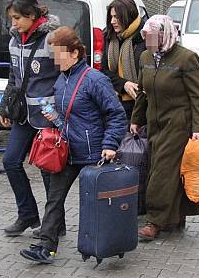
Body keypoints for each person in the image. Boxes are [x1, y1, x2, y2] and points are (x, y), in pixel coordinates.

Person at [20, 26, 127, 264]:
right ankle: (46, 248)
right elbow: (70, 117)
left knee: (97, 204)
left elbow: (116, 114)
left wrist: (110, 144)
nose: (55, 59)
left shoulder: (95, 79)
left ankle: (107, 244)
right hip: (67, 150)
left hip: (95, 152)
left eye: (58, 53)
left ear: (75, 53)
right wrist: (55, 118)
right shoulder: (61, 80)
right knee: (54, 198)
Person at [130, 15, 199, 241]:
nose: (148, 41)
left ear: (165, 35)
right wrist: (136, 119)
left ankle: (154, 221)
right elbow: (143, 93)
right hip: (155, 123)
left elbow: (197, 97)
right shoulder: (145, 57)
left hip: (178, 124)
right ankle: (177, 215)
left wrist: (198, 128)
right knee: (167, 171)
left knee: (161, 173)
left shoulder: (186, 58)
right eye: (146, 36)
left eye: (153, 36)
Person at [0, 0, 61, 237]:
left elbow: (69, 72)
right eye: (11, 18)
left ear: (32, 15)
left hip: (47, 116)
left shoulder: (53, 39)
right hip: (23, 115)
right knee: (10, 161)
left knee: (48, 169)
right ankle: (27, 215)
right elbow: (14, 77)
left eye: (17, 18)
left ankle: (54, 222)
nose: (13, 23)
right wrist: (5, 106)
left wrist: (61, 113)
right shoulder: (14, 41)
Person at [101, 0, 147, 123]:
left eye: (117, 17)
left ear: (128, 16)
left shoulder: (146, 36)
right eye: (111, 17)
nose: (112, 21)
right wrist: (124, 84)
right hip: (115, 102)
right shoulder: (109, 36)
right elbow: (104, 71)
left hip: (142, 104)